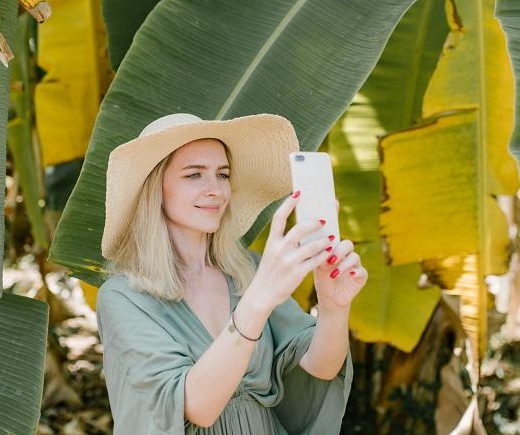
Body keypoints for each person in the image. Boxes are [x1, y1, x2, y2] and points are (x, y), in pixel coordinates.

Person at [96, 112, 368, 434]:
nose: (215, 190)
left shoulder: (246, 271)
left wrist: (334, 306)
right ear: (157, 187)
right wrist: (258, 301)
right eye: (194, 175)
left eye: (222, 175)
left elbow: (319, 368)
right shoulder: (123, 296)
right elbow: (197, 406)